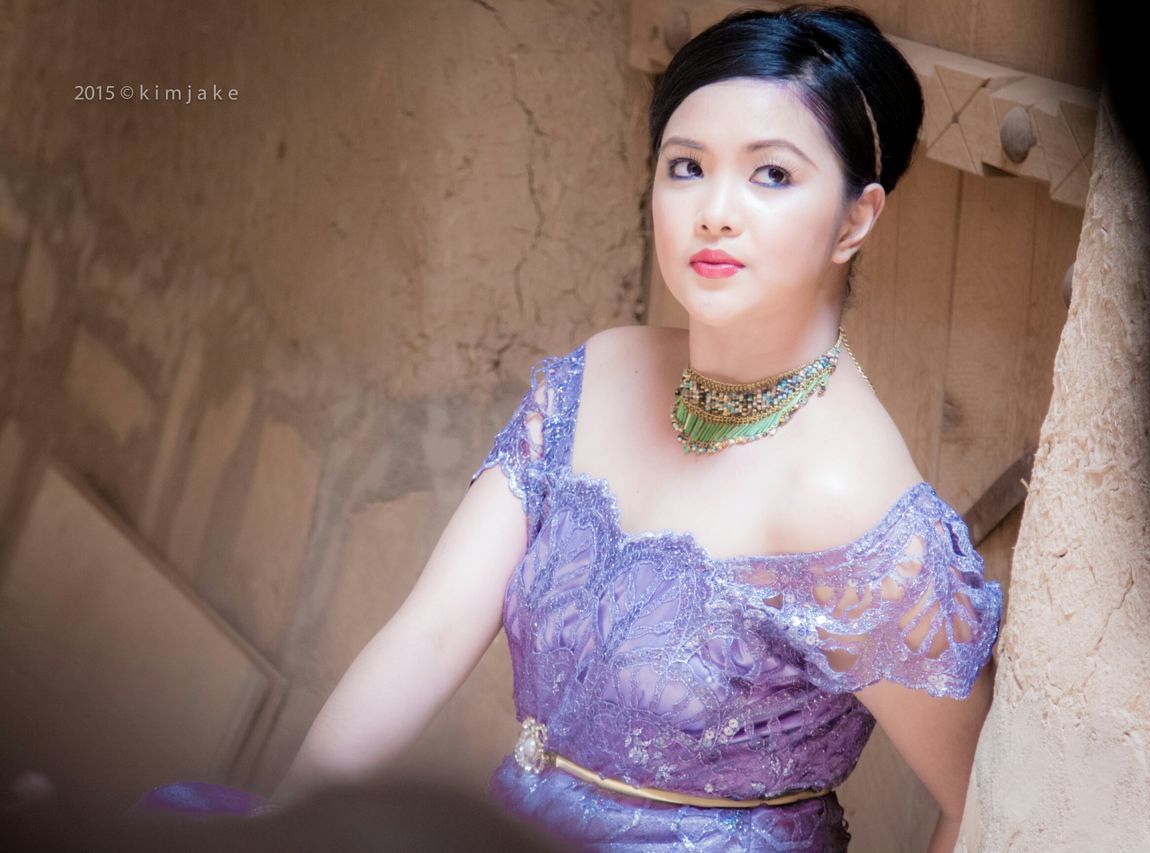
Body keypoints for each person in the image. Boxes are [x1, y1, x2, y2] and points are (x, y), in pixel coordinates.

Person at [132, 5, 1004, 851]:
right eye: (686, 166)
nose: (715, 211)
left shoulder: (848, 499)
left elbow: (983, 801)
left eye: (772, 174)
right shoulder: (601, 376)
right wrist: (290, 819)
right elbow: (431, 631)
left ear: (856, 218)